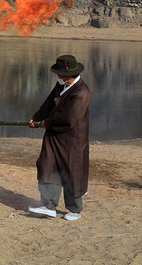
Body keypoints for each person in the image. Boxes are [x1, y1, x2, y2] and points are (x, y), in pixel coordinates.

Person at [27, 54, 91, 221]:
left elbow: (69, 118)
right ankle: (48, 205)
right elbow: (48, 104)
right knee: (47, 164)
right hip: (54, 134)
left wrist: (45, 123)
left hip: (72, 138)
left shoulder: (81, 93)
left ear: (68, 75)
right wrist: (37, 117)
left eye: (60, 74)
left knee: (71, 171)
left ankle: (75, 209)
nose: (57, 76)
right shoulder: (61, 85)